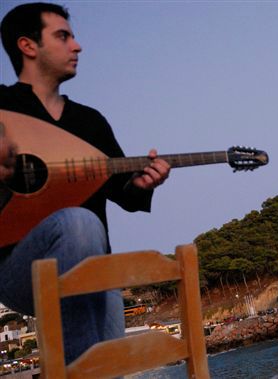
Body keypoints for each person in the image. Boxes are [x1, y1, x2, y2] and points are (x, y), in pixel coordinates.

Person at [0, 3, 170, 363]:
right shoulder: (2, 105)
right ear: (28, 46)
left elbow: (123, 192)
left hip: (93, 270)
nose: (78, 46)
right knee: (80, 221)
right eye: (63, 36)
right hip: (15, 266)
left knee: (111, 357)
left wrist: (142, 185)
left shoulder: (90, 122)